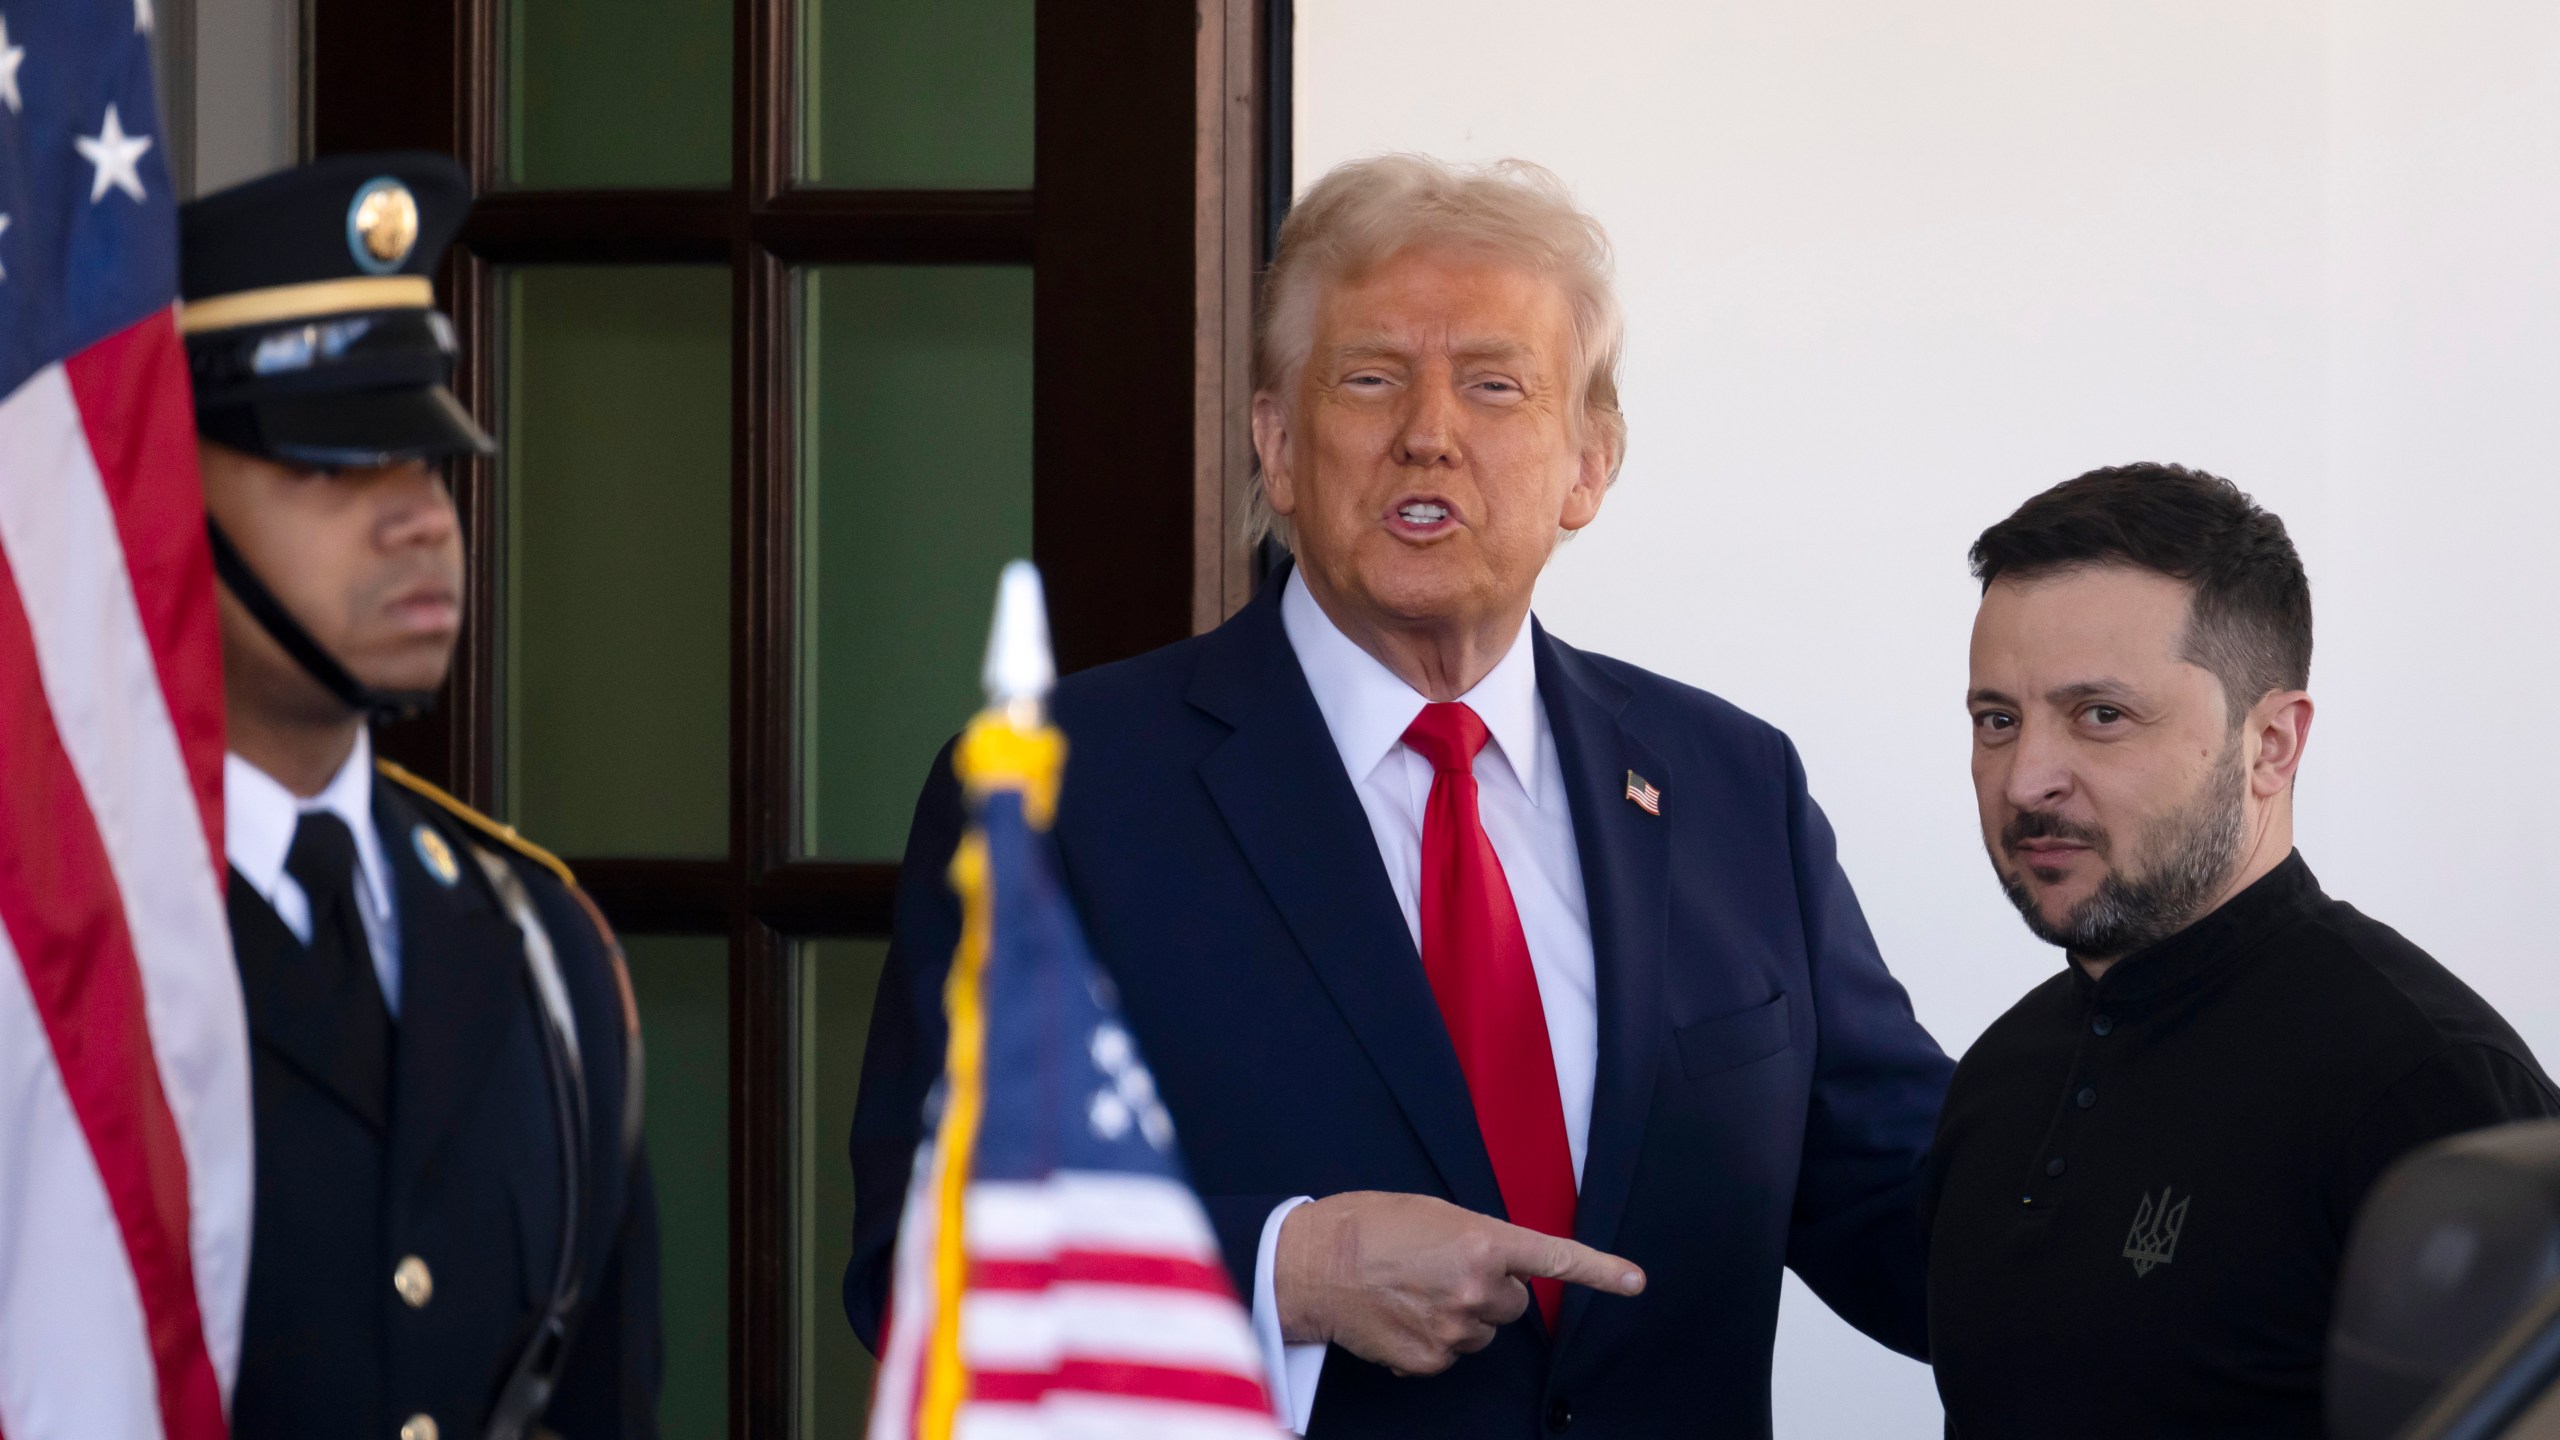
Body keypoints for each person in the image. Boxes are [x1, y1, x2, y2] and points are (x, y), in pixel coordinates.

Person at [848, 154, 1952, 1437]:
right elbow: (925, 1264)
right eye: (1371, 378)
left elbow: (1909, 1212)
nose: (1429, 430)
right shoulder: (1065, 791)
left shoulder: (1729, 781)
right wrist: (1290, 1274)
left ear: (1588, 465)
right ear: (1278, 442)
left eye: (1493, 384)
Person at [1926, 463, 2559, 1438]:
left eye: (2100, 715)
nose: (2027, 779)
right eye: (1996, 721)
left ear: (2270, 745)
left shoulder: (2425, 1089)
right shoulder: (1999, 1078)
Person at [182, 153, 661, 1440]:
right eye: (335, 471)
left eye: (425, 460)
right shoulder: (54, 944)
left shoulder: (541, 944)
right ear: (162, 502)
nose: (419, 521)